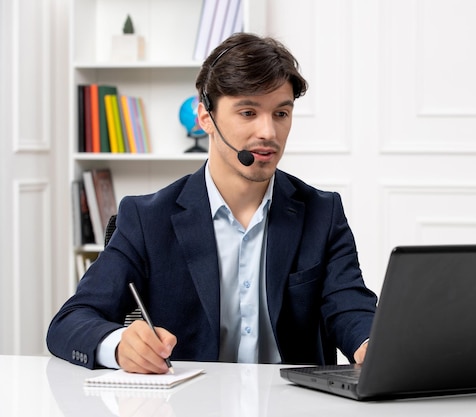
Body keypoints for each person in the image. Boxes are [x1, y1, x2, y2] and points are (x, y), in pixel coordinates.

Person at [47, 33, 378, 374]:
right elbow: (71, 321)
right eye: (248, 112)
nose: (269, 132)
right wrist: (118, 346)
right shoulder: (147, 219)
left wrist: (370, 345)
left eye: (281, 113)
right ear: (206, 117)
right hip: (187, 403)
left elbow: (349, 306)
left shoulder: (322, 213)